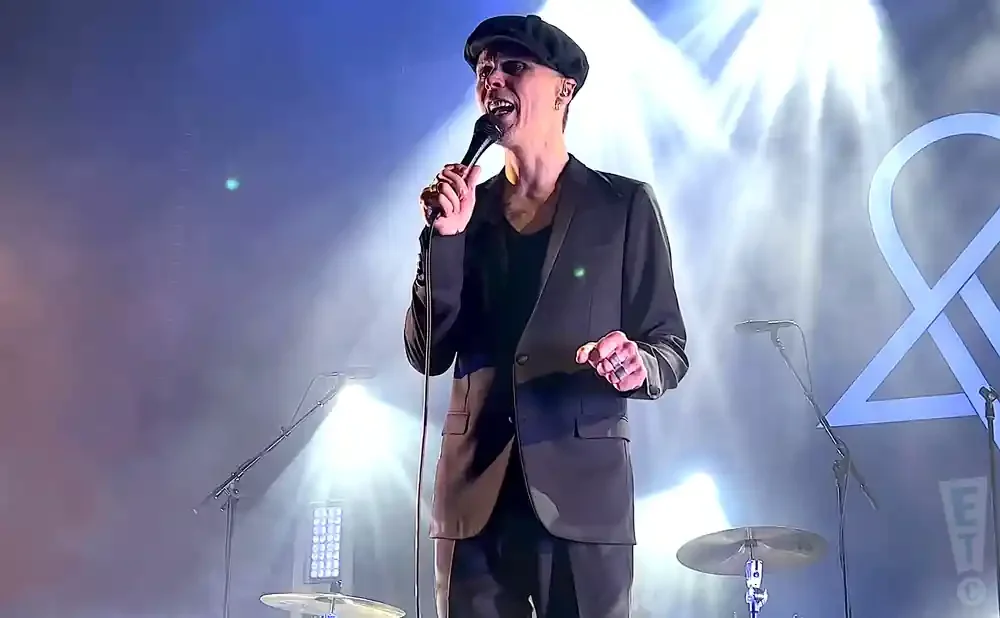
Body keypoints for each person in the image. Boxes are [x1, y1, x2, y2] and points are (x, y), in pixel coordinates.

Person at [403, 14, 689, 618]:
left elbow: (669, 344)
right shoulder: (462, 214)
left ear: (563, 90)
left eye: (513, 68)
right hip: (474, 502)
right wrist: (445, 241)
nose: (493, 80)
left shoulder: (623, 205)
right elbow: (426, 353)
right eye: (485, 71)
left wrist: (638, 363)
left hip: (582, 501)